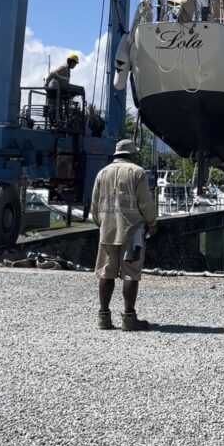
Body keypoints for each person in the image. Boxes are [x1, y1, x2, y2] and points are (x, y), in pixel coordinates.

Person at [91, 139, 158, 332]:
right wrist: (152, 222)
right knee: (130, 273)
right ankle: (129, 318)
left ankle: (104, 317)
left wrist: (102, 223)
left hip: (107, 231)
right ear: (131, 154)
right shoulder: (137, 172)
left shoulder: (101, 173)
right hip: (132, 231)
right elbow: (145, 202)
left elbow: (94, 206)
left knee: (106, 272)